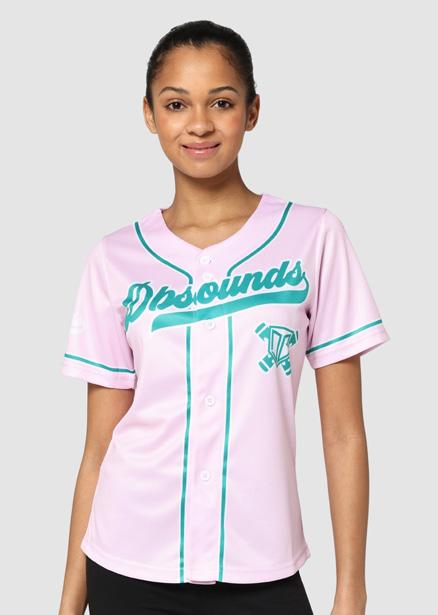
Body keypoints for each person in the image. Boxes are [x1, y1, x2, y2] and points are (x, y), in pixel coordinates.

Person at [57, 19, 390, 615]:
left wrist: (351, 592)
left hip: (262, 570)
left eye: (222, 102)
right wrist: (67, 605)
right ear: (149, 115)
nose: (200, 124)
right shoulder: (115, 258)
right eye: (176, 104)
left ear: (252, 111)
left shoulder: (312, 237)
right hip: (127, 566)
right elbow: (98, 447)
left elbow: (344, 433)